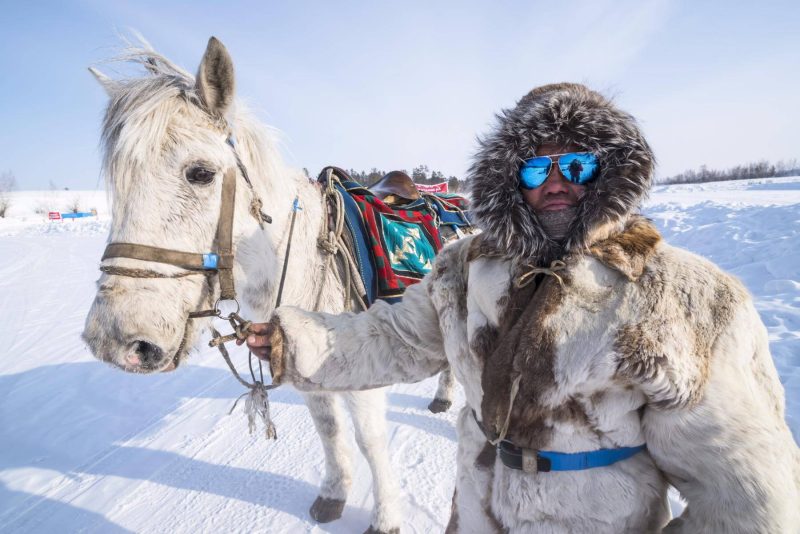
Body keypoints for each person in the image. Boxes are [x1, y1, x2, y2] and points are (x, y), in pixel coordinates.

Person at [243, 83, 799, 533]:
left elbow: (745, 490)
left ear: (607, 172)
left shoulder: (678, 293)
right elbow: (398, 339)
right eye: (536, 169)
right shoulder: (463, 270)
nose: (555, 182)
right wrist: (301, 343)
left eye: (577, 166)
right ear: (512, 181)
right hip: (480, 511)